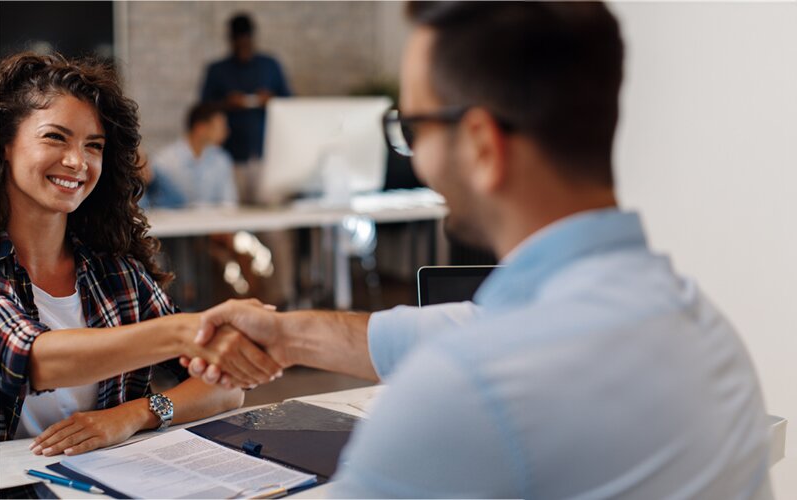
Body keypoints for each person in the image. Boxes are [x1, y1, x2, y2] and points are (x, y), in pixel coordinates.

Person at [185, 2, 772, 498]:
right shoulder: (705, 332)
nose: (414, 156)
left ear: (482, 146)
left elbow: (469, 362)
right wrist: (284, 335)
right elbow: (451, 332)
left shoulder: (464, 394)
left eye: (413, 128)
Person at [0, 52, 281, 453]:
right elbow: (33, 361)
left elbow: (225, 387)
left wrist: (134, 415)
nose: (77, 161)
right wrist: (184, 332)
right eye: (55, 137)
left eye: (93, 146)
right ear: (5, 144)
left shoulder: (117, 274)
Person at [200, 13, 291, 172]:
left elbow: (290, 102)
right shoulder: (217, 70)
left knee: (267, 197)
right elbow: (202, 109)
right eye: (239, 43)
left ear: (252, 38)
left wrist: (271, 100)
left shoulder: (270, 65)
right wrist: (226, 103)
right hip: (230, 154)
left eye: (246, 43)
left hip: (267, 152)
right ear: (230, 40)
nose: (243, 48)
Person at [148, 102, 237, 208]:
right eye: (220, 127)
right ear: (200, 128)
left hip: (214, 223)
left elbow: (228, 203)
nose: (226, 132)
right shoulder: (164, 161)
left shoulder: (221, 160)